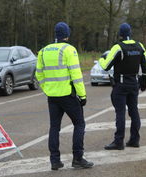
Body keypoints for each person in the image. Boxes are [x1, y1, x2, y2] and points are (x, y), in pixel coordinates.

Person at [36, 22, 94, 170]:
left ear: (55, 34)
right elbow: (76, 74)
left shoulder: (43, 51)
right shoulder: (69, 50)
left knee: (54, 127)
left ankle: (54, 161)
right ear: (67, 34)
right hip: (68, 95)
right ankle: (78, 159)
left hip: (52, 96)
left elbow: (39, 74)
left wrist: (46, 89)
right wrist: (82, 95)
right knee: (79, 124)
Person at [99, 23, 146, 150]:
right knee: (134, 111)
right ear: (130, 33)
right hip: (134, 83)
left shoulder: (118, 47)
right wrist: (144, 79)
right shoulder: (140, 46)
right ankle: (135, 140)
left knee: (120, 113)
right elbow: (145, 64)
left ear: (120, 34)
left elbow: (106, 66)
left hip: (121, 85)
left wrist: (101, 59)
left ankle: (118, 142)